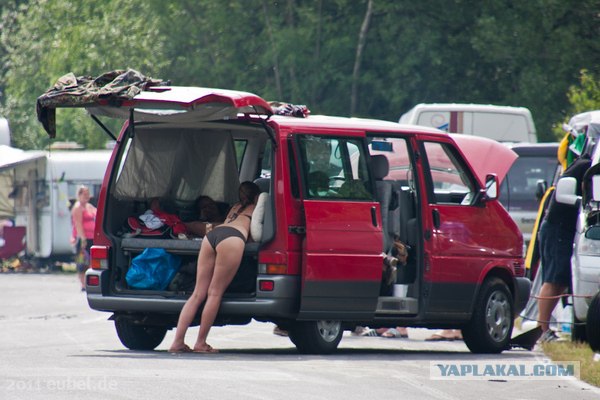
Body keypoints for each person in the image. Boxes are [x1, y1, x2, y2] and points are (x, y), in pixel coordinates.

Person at [169, 181, 261, 353]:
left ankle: (177, 342)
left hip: (213, 235)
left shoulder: (235, 207)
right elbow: (256, 235)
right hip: (233, 238)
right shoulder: (257, 209)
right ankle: (201, 343)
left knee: (197, 294)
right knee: (215, 293)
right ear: (257, 196)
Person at [537, 153, 591, 342]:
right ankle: (541, 331)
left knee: (559, 281)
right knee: (553, 280)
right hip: (557, 227)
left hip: (565, 229)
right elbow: (573, 190)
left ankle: (544, 329)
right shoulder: (586, 166)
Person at [71, 185, 97, 291]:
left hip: (92, 237)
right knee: (82, 261)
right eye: (84, 194)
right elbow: (78, 224)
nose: (87, 196)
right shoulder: (78, 207)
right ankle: (83, 284)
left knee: (92, 261)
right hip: (83, 238)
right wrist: (83, 238)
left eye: (88, 194)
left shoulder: (89, 206)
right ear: (79, 195)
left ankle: (90, 282)